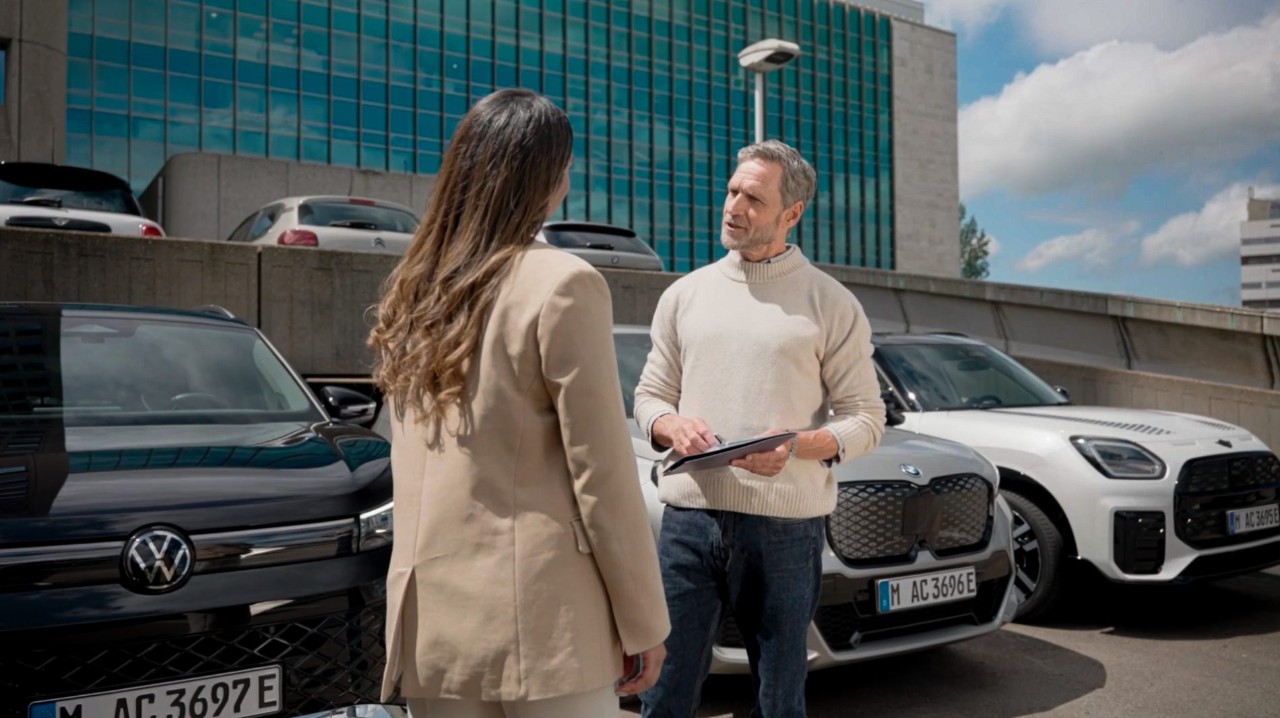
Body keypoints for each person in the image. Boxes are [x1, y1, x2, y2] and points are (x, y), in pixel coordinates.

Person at [369, 89, 669, 718]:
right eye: (564, 168)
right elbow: (602, 472)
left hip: (432, 622)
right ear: (545, 179)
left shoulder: (415, 290)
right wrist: (643, 620)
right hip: (541, 619)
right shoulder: (564, 283)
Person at [634, 140, 886, 718]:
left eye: (753, 197)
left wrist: (798, 446)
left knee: (779, 700)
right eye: (732, 191)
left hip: (784, 530)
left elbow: (866, 421)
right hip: (687, 523)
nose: (733, 206)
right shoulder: (683, 295)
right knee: (664, 695)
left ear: (791, 213)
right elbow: (649, 397)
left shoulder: (831, 303)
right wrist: (670, 425)